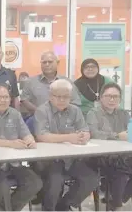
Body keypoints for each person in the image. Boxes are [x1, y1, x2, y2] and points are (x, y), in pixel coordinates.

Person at [34, 79, 99, 211]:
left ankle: (64, 205)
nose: (62, 100)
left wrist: (85, 135)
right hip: (50, 160)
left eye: (66, 97)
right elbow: (42, 136)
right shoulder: (42, 111)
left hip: (71, 159)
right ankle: (48, 209)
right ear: (51, 96)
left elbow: (85, 129)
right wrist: (70, 137)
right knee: (55, 181)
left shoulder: (75, 110)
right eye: (58, 96)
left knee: (92, 179)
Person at [0, 84, 42, 211]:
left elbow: (26, 134)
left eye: (6, 97)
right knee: (2, 187)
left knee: (35, 183)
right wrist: (11, 143)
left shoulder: (15, 114)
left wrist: (30, 141)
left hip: (14, 164)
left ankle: (9, 209)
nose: (3, 100)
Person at [87, 82, 132, 210]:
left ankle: (117, 200)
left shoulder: (123, 113)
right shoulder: (93, 113)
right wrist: (118, 136)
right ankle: (116, 202)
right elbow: (94, 134)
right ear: (101, 97)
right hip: (102, 156)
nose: (112, 100)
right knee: (122, 169)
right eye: (108, 96)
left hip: (124, 155)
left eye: (116, 97)